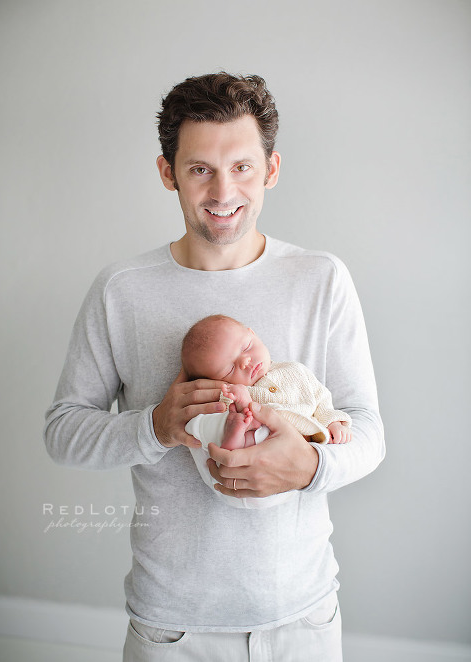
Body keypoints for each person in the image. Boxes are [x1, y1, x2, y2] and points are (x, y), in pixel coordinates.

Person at [44, 72, 385, 661]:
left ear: (271, 170)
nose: (223, 190)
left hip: (302, 620)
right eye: (200, 168)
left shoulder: (321, 279)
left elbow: (368, 430)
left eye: (243, 167)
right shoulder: (121, 291)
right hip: (172, 628)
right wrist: (154, 426)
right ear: (167, 172)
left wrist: (307, 465)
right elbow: (63, 434)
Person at [181, 313, 352, 450]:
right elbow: (218, 413)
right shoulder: (234, 392)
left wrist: (334, 423)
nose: (245, 362)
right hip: (264, 443)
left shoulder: (294, 371)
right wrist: (240, 405)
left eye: (246, 347)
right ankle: (235, 440)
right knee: (245, 427)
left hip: (309, 441)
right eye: (230, 369)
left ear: (253, 334)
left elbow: (321, 399)